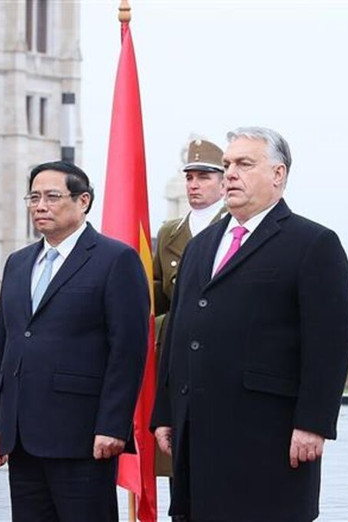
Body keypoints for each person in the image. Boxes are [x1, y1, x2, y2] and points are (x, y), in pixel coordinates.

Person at [151, 127, 348, 521]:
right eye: (227, 164)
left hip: (267, 439)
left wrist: (313, 424)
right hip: (196, 434)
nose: (230, 173)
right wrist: (165, 410)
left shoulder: (312, 244)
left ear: (278, 174)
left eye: (244, 164)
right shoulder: (201, 247)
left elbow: (330, 344)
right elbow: (178, 332)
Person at [0, 160, 150, 521]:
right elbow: (5, 347)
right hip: (22, 437)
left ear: (83, 201)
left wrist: (112, 426)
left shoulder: (115, 259)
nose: (40, 206)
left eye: (52, 197)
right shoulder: (19, 262)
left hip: (82, 436)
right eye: (34, 197)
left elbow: (128, 352)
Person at [152, 138, 226, 521]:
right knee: (178, 480)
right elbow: (156, 301)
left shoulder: (233, 228)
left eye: (204, 176)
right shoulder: (170, 233)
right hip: (176, 364)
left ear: (223, 180)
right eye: (190, 177)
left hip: (219, 365)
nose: (194, 185)